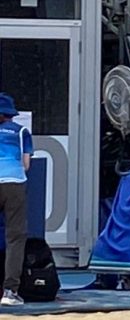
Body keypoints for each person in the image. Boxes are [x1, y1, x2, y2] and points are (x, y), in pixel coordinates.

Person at [0, 93, 31, 306]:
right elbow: (26, 163)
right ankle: (10, 292)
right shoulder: (22, 132)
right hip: (14, 183)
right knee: (15, 238)